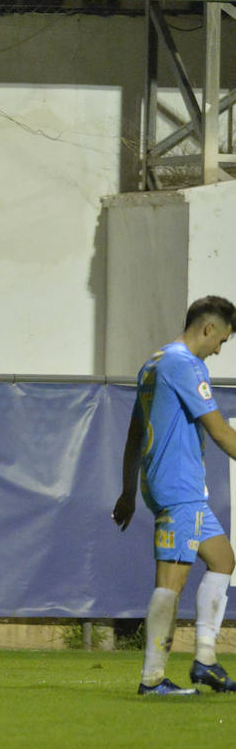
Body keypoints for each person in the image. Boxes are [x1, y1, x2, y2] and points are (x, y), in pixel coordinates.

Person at [113, 295, 236, 695]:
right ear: (208, 329)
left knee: (222, 559)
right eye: (222, 340)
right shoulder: (184, 365)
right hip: (178, 486)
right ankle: (152, 679)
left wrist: (130, 489)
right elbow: (219, 431)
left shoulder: (154, 362)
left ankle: (204, 661)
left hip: (172, 485)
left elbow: (135, 432)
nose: (220, 349)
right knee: (171, 583)